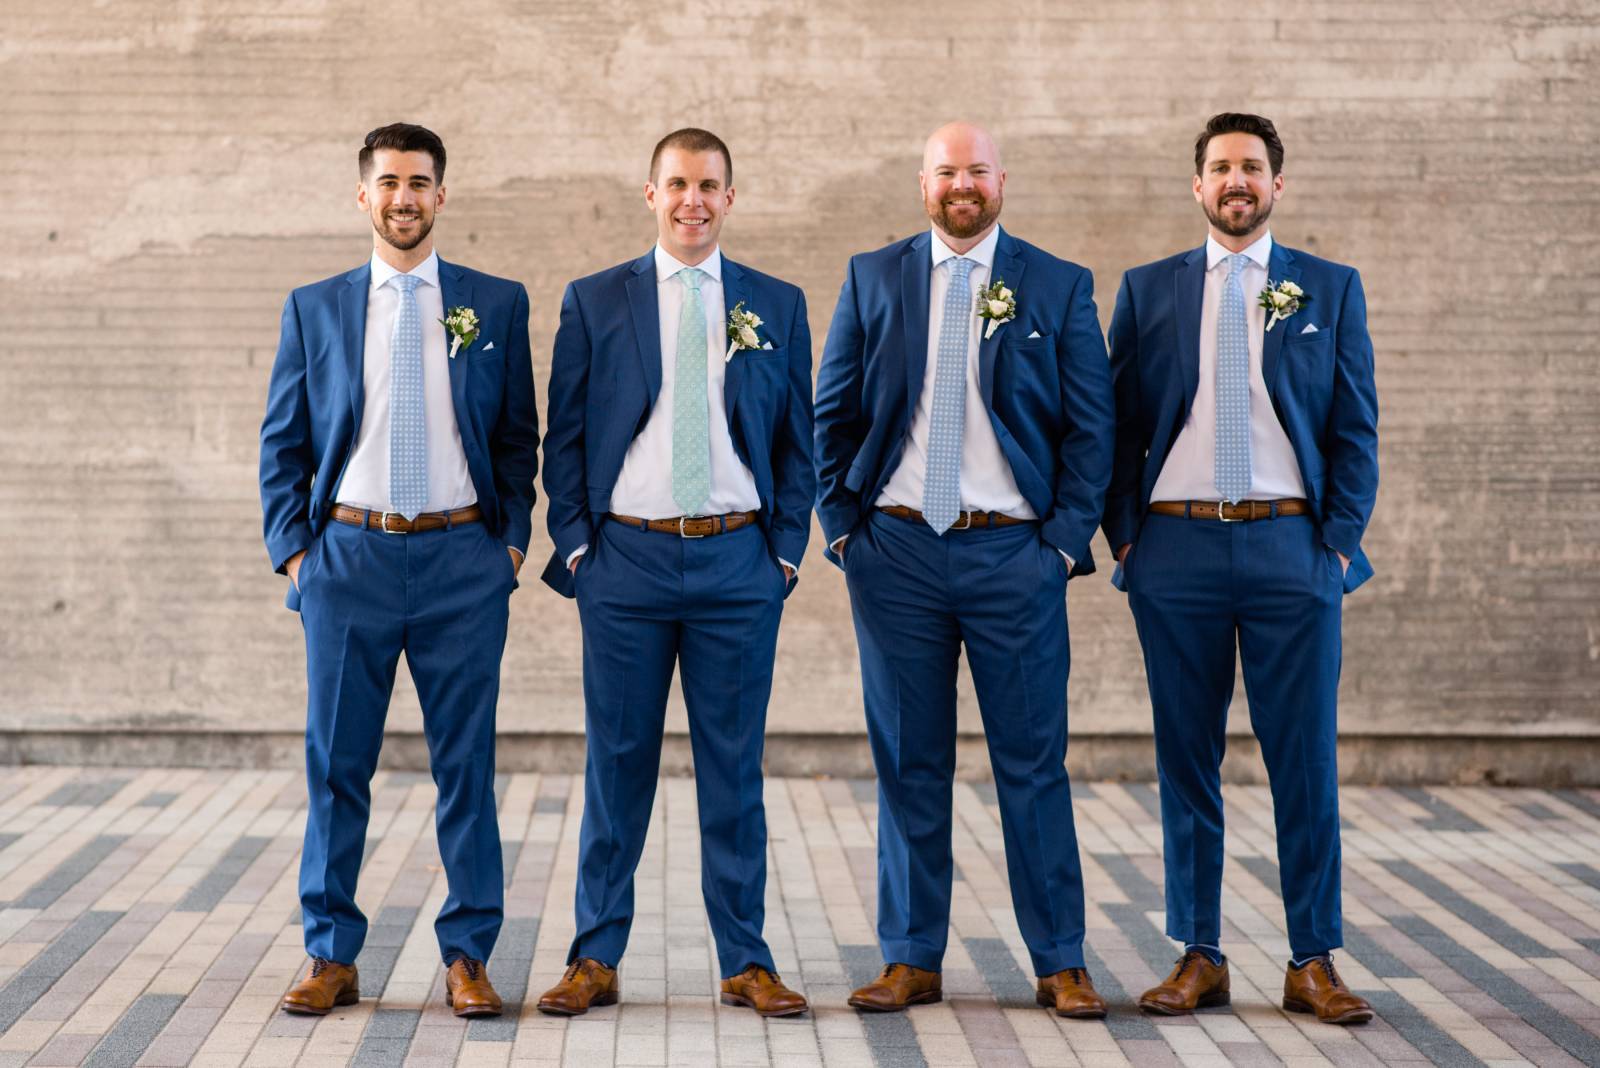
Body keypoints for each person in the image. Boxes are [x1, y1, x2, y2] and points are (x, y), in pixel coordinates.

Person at [813, 122, 1114, 1017]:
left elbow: (1092, 429)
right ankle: (911, 956)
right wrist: (842, 530)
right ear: (922, 183)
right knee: (909, 761)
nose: (962, 185)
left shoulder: (1055, 284)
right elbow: (832, 406)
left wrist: (1060, 544)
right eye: (946, 171)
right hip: (896, 552)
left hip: (1011, 555)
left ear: (1001, 180)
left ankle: (1060, 959)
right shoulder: (874, 276)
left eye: (976, 170)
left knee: (1032, 762)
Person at [1103, 112, 1379, 1025]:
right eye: (1221, 167)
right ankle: (1199, 953)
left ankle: (1312, 960)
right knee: (1187, 758)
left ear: (1277, 185)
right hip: (1174, 548)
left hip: (1289, 548)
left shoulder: (1329, 290)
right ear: (1197, 186)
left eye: (1252, 168)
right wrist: (1128, 542)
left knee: (1304, 760)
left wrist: (1334, 545)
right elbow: (1120, 428)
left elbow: (1355, 430)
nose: (1237, 181)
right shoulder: (1149, 291)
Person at [534, 128, 814, 1018]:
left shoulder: (776, 302)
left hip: (739, 562)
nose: (693, 199)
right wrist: (580, 549)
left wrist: (782, 554)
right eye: (677, 184)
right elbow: (565, 438)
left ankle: (746, 959)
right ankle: (594, 958)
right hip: (627, 563)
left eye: (710, 185)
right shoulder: (594, 300)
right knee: (617, 766)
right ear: (650, 193)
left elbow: (799, 442)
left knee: (735, 770)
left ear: (732, 198)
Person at [259, 123, 537, 1018]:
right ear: (364, 195)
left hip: (463, 559)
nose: (404, 197)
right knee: (337, 766)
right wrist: (299, 558)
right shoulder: (316, 307)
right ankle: (330, 954)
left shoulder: (495, 305)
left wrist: (509, 547)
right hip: (349, 560)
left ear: (442, 196)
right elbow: (283, 443)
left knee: (467, 766)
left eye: (420, 182)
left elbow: (516, 438)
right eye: (389, 182)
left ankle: (468, 957)